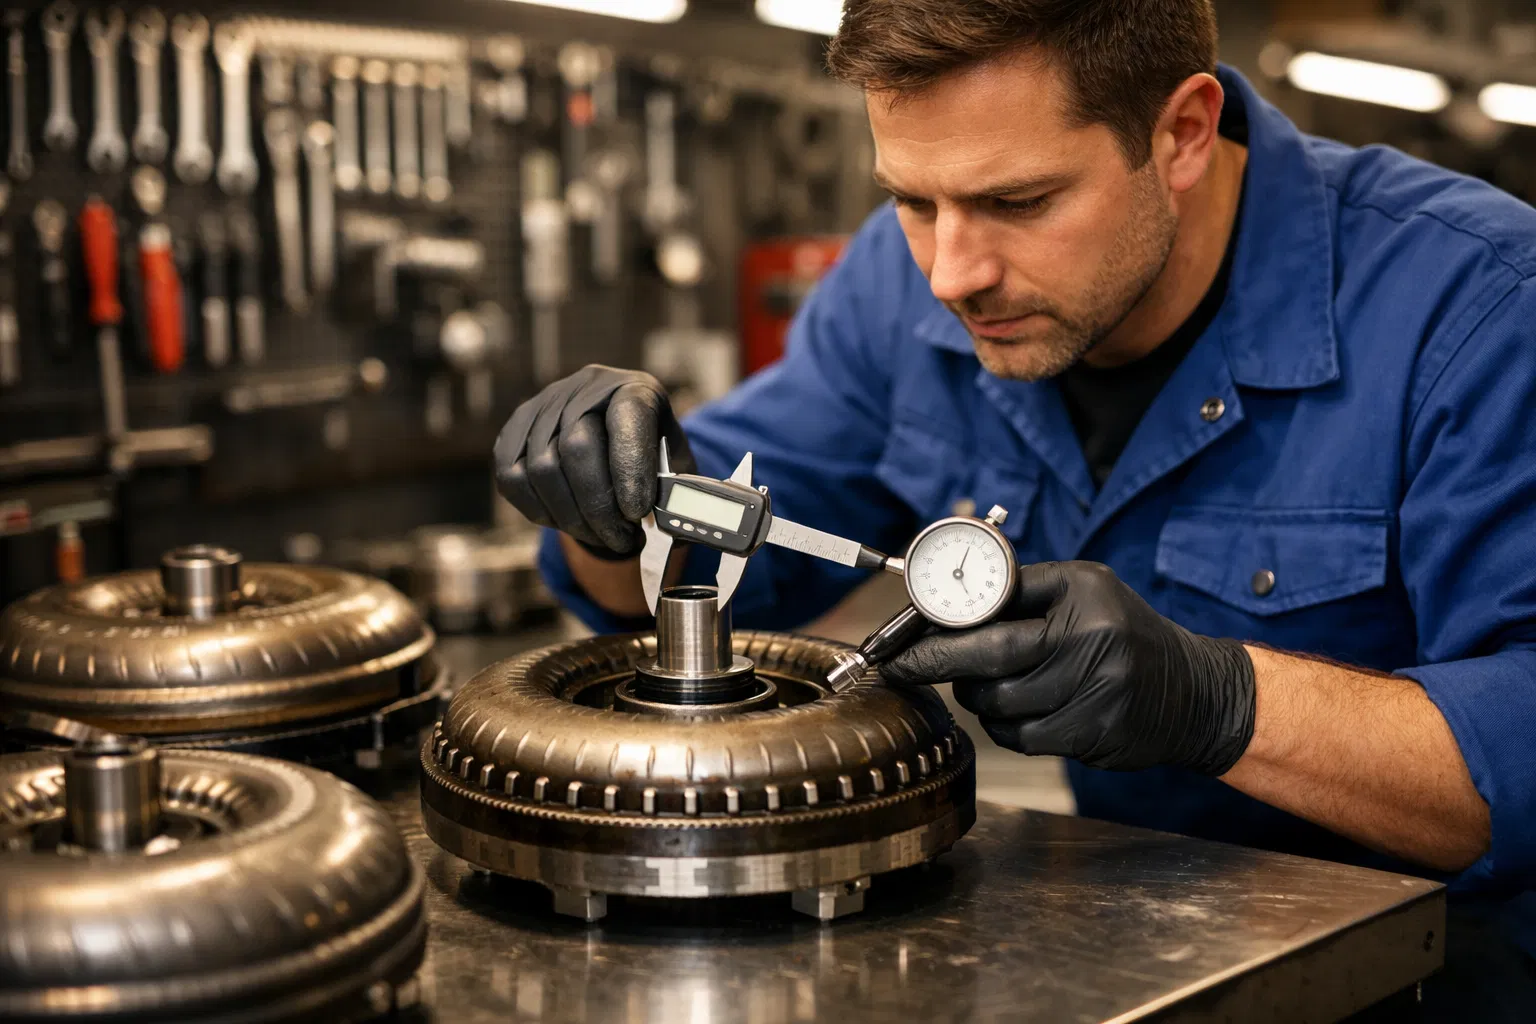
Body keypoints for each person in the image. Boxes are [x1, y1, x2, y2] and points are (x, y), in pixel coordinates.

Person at [494, 1, 1536, 1016]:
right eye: (911, 199)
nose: (953, 273)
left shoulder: (1481, 305)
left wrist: (1216, 699)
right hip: (1150, 963)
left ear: (1181, 132)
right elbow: (703, 562)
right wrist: (614, 509)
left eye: (1020, 201)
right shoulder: (895, 289)